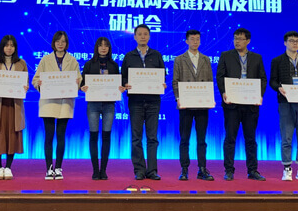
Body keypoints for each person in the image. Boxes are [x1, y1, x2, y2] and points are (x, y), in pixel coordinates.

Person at [216, 27, 267, 181]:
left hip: (251, 104)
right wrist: (224, 92)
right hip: (232, 104)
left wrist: (259, 95)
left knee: (250, 139)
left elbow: (263, 78)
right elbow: (220, 76)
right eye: (235, 38)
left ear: (248, 41)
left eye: (240, 39)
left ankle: (252, 170)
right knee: (230, 138)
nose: (237, 41)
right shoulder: (226, 56)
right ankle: (229, 170)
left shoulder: (257, 58)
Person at [32, 30, 81, 180]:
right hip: (48, 102)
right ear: (53, 43)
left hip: (65, 102)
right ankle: (49, 168)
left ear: (67, 43)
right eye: (58, 41)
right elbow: (35, 79)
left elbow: (79, 79)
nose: (60, 44)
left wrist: (77, 83)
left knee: (61, 136)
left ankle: (58, 168)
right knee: (49, 136)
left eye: (63, 41)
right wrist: (39, 84)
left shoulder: (72, 60)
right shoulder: (45, 59)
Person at [269, 31, 298, 182]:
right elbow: (272, 81)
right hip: (286, 103)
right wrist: (279, 88)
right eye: (291, 41)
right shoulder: (277, 60)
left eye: (297, 41)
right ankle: (287, 169)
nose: (294, 43)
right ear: (285, 43)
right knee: (286, 137)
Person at [122, 24, 167, 181]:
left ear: (149, 36)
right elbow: (123, 77)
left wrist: (162, 83)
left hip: (153, 101)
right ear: (135, 37)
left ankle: (152, 170)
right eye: (139, 34)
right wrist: (126, 84)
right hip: (135, 101)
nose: (142, 36)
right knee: (136, 137)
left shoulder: (156, 55)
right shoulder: (129, 56)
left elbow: (162, 75)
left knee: (152, 137)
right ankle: (139, 170)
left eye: (145, 34)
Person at [172, 29, 214, 181]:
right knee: (184, 139)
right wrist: (178, 98)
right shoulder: (179, 59)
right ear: (186, 41)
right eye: (192, 39)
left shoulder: (206, 59)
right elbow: (175, 81)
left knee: (202, 139)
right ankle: (184, 170)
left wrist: (210, 98)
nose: (195, 41)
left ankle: (202, 169)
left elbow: (209, 81)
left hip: (202, 105)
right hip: (186, 105)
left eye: (197, 39)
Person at [0, 35, 29, 180]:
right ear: (2, 47)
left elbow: (26, 82)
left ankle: (8, 167)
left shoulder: (21, 63)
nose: (9, 48)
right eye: (6, 45)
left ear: (15, 48)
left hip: (14, 105)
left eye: (12, 45)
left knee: (12, 135)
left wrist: (25, 87)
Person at [80, 37, 123, 180]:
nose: (103, 48)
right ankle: (95, 170)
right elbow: (82, 83)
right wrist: (82, 87)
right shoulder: (89, 64)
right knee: (93, 136)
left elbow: (118, 83)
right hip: (93, 104)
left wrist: (120, 88)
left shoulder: (114, 65)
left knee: (106, 136)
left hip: (109, 104)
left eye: (106, 45)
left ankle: (103, 170)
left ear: (109, 48)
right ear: (96, 48)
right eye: (100, 45)